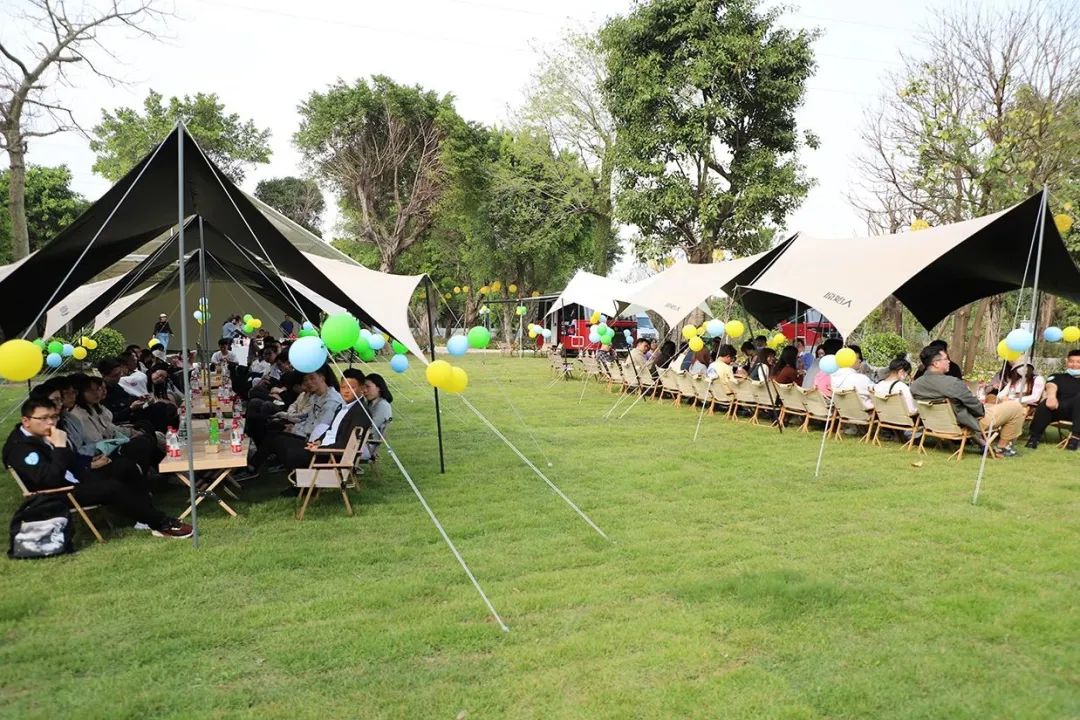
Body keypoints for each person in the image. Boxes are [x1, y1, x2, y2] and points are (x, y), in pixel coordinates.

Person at [3, 398, 192, 538]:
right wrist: (60, 447)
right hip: (59, 492)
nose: (51, 423)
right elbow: (49, 479)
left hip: (78, 477)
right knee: (113, 487)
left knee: (125, 465)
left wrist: (89, 463)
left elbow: (71, 460)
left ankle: (144, 513)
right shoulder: (21, 448)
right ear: (26, 421)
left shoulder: (44, 434)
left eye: (53, 417)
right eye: (44, 418)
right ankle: (161, 523)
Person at [910, 344, 1024, 456]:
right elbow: (977, 409)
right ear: (936, 363)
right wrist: (982, 410)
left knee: (992, 406)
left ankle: (985, 443)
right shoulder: (952, 383)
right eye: (946, 359)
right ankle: (1002, 447)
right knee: (1016, 407)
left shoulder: (916, 385)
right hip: (967, 422)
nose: (949, 361)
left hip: (937, 424)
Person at [1025, 349, 1080, 451]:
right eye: (1072, 361)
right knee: (1044, 404)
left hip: (1077, 412)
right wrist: (1051, 397)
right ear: (1067, 362)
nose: (1074, 365)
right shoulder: (1057, 376)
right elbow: (1051, 385)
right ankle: (1034, 438)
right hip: (1057, 408)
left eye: (1078, 362)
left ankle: (1075, 438)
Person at [359, 373, 394, 459]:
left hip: (366, 447)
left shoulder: (382, 405)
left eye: (368, 387)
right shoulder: (371, 404)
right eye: (363, 387)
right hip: (361, 444)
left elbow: (370, 428)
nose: (364, 390)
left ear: (379, 388)